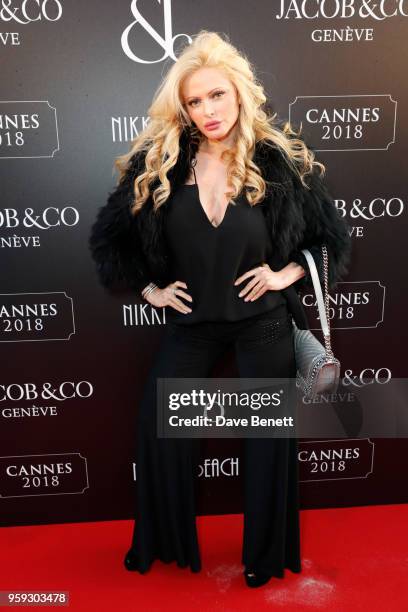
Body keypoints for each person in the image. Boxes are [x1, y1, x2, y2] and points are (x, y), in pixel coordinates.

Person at [88, 30, 352, 588]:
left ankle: (265, 555)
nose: (207, 111)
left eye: (216, 96)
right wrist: (150, 289)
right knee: (157, 429)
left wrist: (286, 272)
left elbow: (330, 238)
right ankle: (162, 544)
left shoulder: (276, 160)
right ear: (181, 108)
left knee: (267, 440)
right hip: (193, 326)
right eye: (193, 101)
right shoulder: (160, 162)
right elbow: (112, 241)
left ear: (239, 93)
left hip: (263, 324)